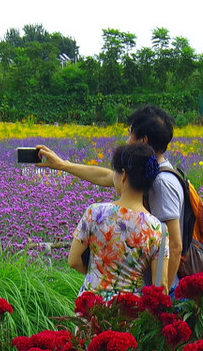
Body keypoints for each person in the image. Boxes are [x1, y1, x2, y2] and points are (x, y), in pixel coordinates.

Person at [38, 105, 184, 289]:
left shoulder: (161, 183)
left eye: (130, 133)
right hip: (136, 293)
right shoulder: (148, 174)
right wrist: (63, 165)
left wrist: (160, 301)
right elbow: (107, 177)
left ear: (143, 141)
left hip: (162, 290)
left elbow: (175, 246)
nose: (127, 139)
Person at [68, 143, 168, 297]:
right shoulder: (158, 228)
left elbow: (73, 260)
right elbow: (160, 284)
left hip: (91, 307)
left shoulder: (95, 213)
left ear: (124, 176)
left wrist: (96, 275)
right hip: (130, 311)